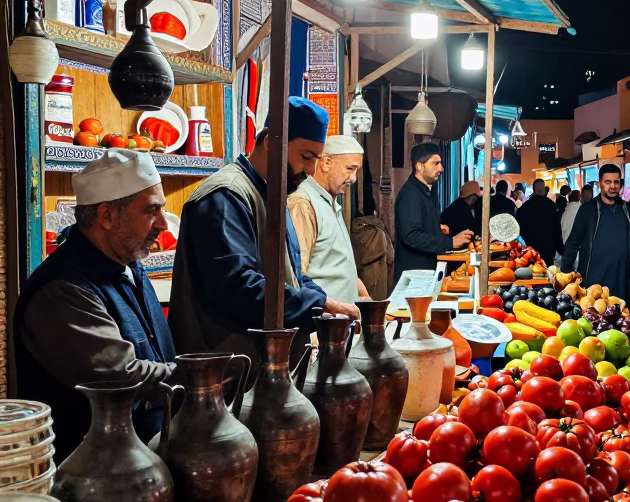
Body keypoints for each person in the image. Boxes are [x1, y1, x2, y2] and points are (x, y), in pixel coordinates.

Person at [170, 98, 359, 370]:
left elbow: (292, 274)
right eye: (305, 157)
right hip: (228, 368)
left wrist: (326, 305)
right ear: (271, 143)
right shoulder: (227, 196)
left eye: (316, 160)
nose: (310, 171)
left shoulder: (273, 192)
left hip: (266, 365)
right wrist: (317, 304)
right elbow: (238, 288)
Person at [14, 150, 176, 461]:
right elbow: (120, 376)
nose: (163, 225)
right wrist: (197, 376)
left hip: (146, 458)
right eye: (151, 211)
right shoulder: (61, 291)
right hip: (96, 475)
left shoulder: (128, 263)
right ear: (107, 216)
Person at [288, 134, 369, 305]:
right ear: (326, 163)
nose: (354, 178)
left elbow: (331, 262)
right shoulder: (303, 203)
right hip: (321, 325)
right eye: (350, 168)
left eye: (357, 171)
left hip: (343, 322)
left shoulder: (330, 201)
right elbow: (295, 275)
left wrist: (356, 286)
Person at [561, 164, 630, 303]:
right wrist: (565, 274)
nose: (613, 186)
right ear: (599, 184)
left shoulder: (628, 209)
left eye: (616, 182)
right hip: (593, 283)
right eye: (608, 182)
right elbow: (573, 242)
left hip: (622, 282)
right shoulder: (587, 209)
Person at [394, 143, 473, 281]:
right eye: (435, 163)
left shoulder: (428, 191)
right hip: (415, 277)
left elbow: (418, 224)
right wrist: (450, 242)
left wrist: (436, 228)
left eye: (440, 163)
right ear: (419, 166)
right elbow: (411, 236)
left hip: (427, 272)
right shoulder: (410, 196)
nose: (441, 168)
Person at [517, 178, 563, 264]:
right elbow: (556, 228)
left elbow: (518, 227)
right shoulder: (551, 205)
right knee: (548, 274)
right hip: (548, 249)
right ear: (544, 189)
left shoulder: (525, 207)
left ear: (534, 190)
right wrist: (559, 247)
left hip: (530, 250)